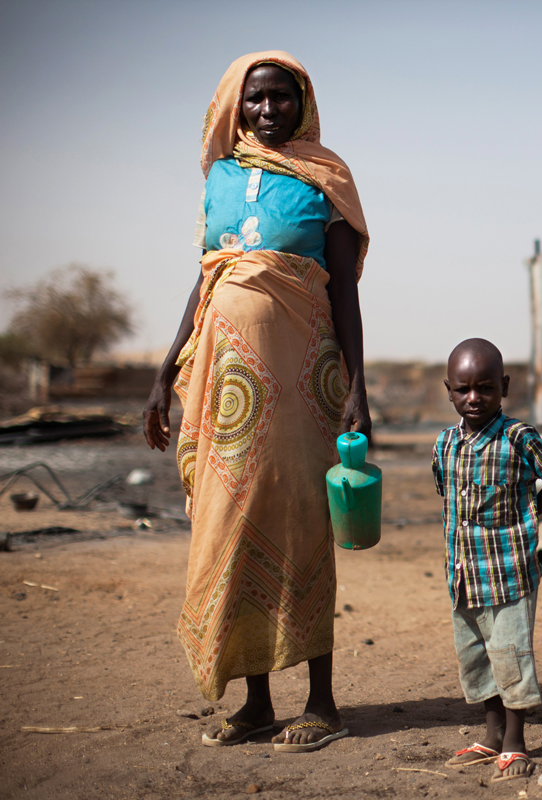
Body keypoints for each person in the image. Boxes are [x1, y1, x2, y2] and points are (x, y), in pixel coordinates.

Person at [142, 51, 371, 753]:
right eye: (256, 99)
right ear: (234, 107)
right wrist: (161, 374)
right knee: (230, 524)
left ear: (303, 104)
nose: (269, 110)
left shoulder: (325, 180)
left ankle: (324, 703)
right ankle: (257, 702)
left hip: (304, 385)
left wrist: (359, 386)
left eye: (282, 98)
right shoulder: (220, 178)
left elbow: (343, 294)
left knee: (302, 525)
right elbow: (206, 278)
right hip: (227, 390)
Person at [431, 338, 542, 782]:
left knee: (510, 654)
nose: (474, 398)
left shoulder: (518, 437)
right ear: (449, 390)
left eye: (486, 388)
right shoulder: (445, 443)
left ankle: (516, 743)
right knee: (476, 656)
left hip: (510, 573)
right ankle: (491, 737)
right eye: (463, 389)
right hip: (464, 575)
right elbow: (447, 492)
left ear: (504, 387)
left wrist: (526, 513)